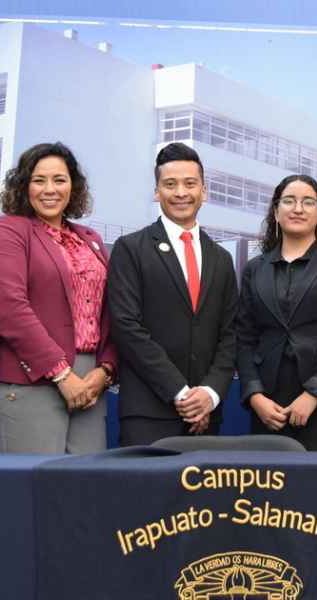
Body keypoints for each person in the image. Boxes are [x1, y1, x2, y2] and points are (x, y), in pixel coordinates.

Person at [0, 142, 116, 454]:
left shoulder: (90, 239)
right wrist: (62, 374)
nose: (50, 189)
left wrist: (106, 370)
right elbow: (9, 309)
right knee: (33, 482)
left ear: (73, 185)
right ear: (23, 186)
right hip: (33, 380)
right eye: (39, 180)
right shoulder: (9, 231)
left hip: (91, 385)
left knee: (87, 480)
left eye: (59, 180)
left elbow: (110, 311)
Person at [107, 142, 238, 446]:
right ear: (157, 192)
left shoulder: (221, 258)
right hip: (148, 413)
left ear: (204, 191)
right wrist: (181, 393)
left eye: (190, 184)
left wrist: (209, 394)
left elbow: (231, 333)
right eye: (170, 184)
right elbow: (126, 327)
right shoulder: (131, 249)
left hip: (207, 416)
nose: (181, 192)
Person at [236, 175, 317, 450]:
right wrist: (255, 395)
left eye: (308, 202)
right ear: (275, 212)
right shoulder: (254, 269)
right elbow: (244, 339)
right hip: (269, 407)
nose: (298, 209)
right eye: (289, 201)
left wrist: (315, 393)